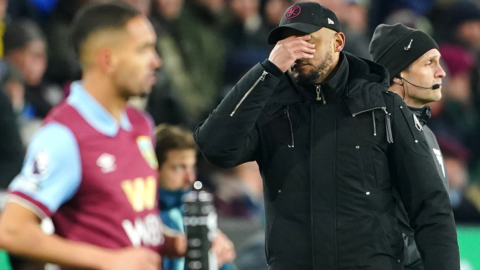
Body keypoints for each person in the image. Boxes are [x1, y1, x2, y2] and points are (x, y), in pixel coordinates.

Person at [193, 2, 459, 269]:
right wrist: (268, 70)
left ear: (338, 42)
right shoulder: (272, 110)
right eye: (287, 43)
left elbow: (431, 207)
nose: (297, 51)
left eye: (307, 40)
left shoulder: (382, 106)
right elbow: (215, 147)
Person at [0, 2, 186, 270]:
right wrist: (109, 261)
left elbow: (123, 225)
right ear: (107, 59)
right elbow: (11, 230)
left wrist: (175, 241)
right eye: (144, 49)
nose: (156, 61)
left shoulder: (140, 124)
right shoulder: (65, 135)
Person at [369, 23, 449, 270]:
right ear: (397, 74)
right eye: (429, 63)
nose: (441, 72)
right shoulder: (372, 131)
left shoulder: (426, 133)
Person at [154, 124, 236, 270]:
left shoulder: (195, 209)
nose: (190, 178)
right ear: (154, 168)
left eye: (192, 167)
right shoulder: (144, 215)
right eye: (179, 167)